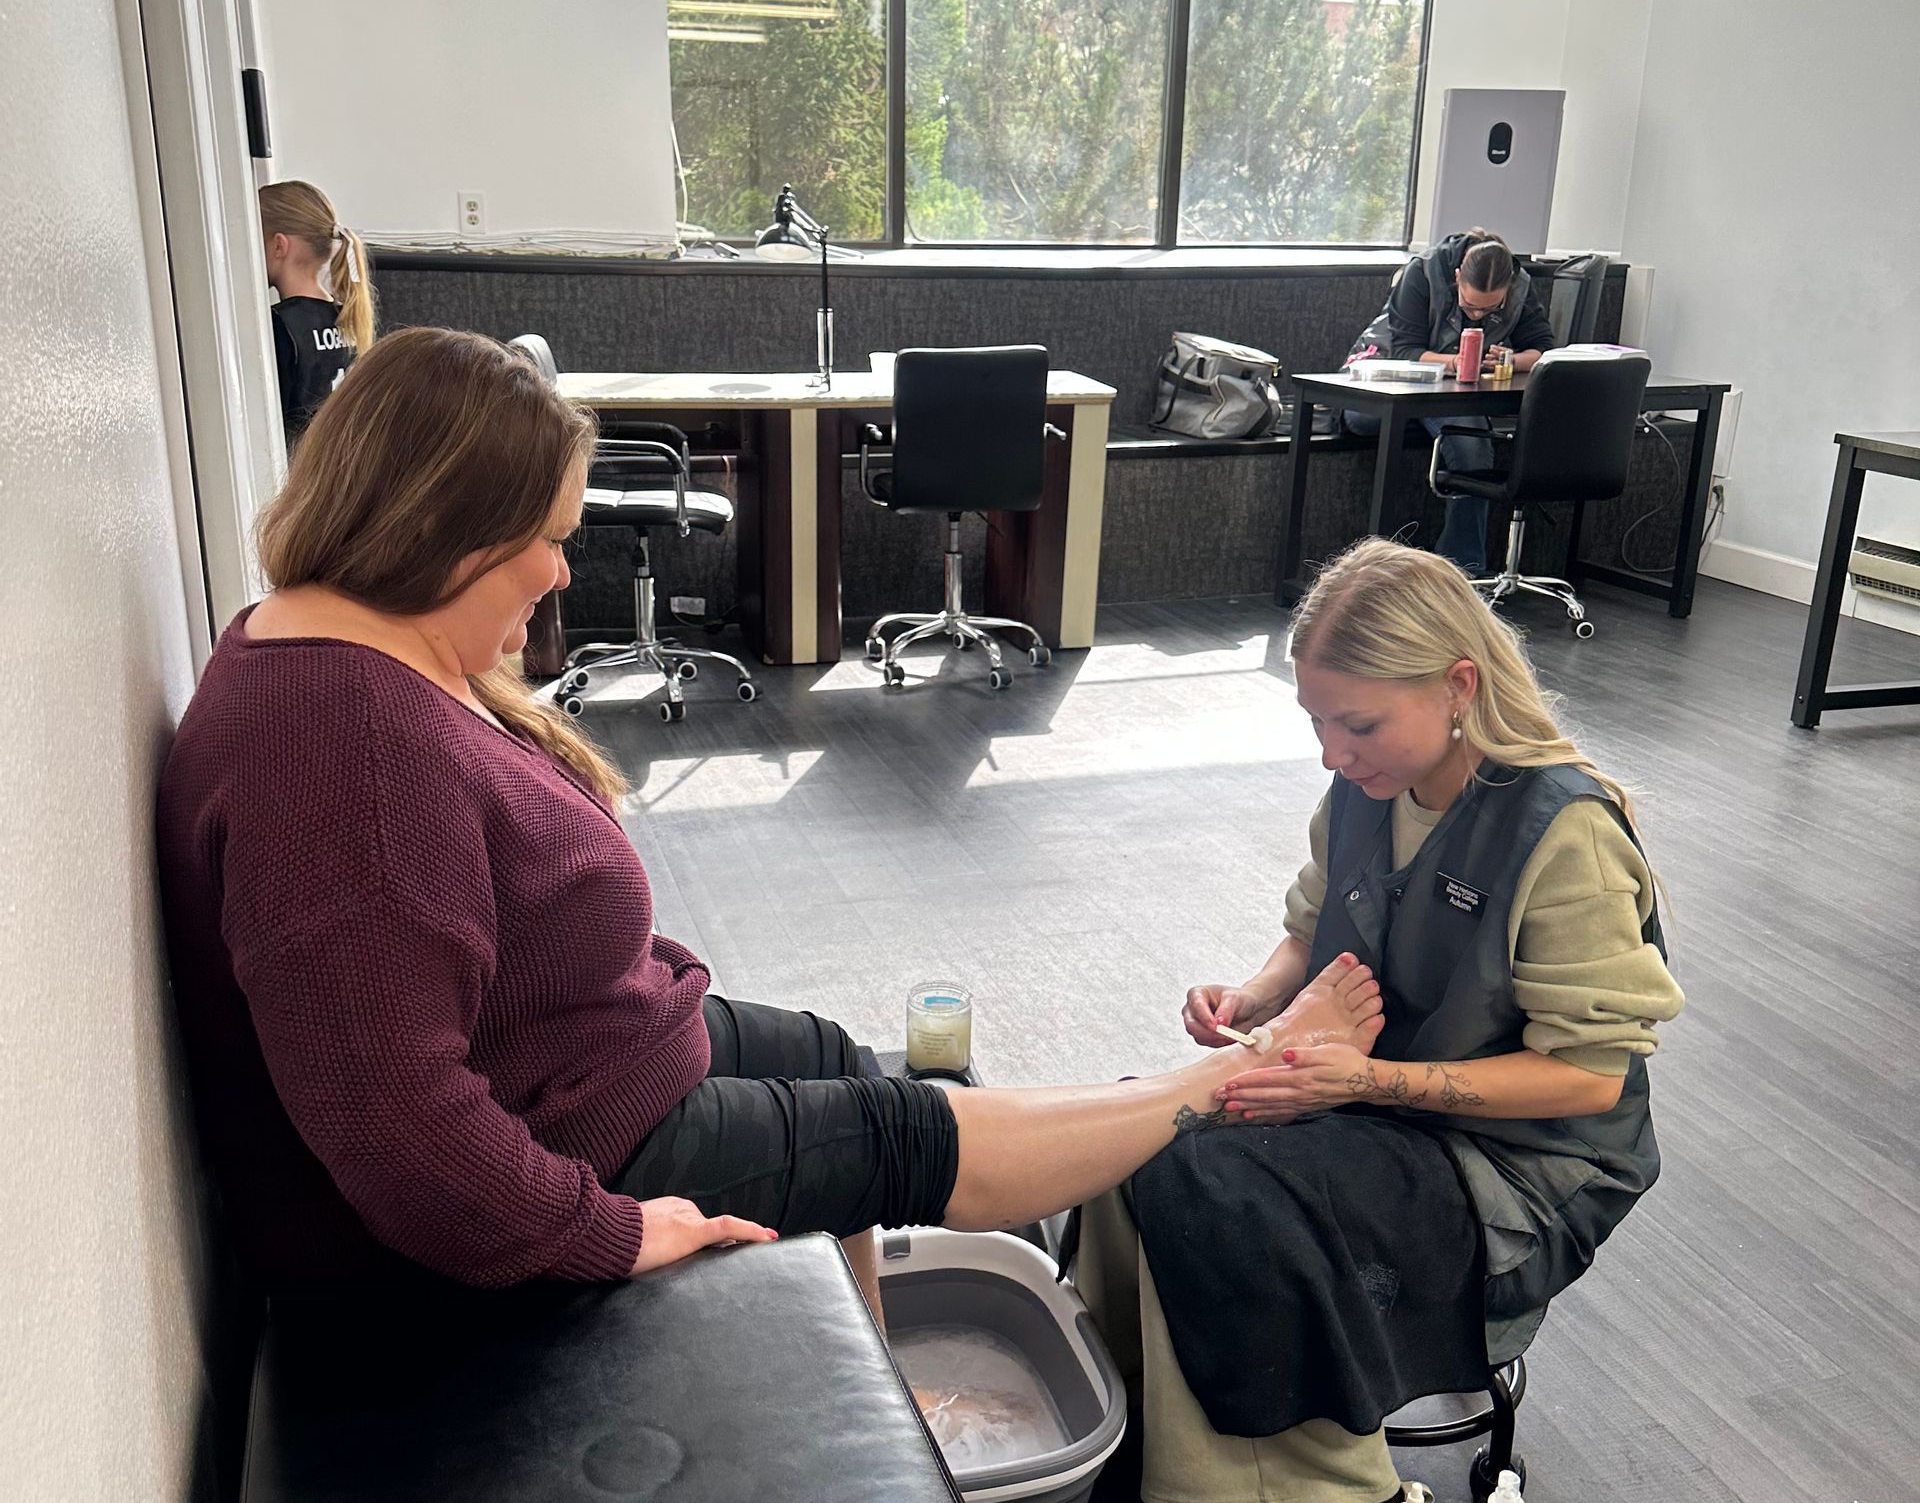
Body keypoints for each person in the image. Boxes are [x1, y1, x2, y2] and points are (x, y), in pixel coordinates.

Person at [157, 327, 1389, 1319]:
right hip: (555, 1152)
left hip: (585, 1059)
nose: (563, 574)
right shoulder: (338, 752)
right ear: (444, 529)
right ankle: (1221, 1084)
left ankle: (881, 1387)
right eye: (548, 541)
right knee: (902, 1132)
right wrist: (613, 1232)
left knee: (842, 1056)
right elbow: (399, 1133)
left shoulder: (341, 652)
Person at [1073, 537, 1684, 1503]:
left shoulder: (1564, 834)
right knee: (1143, 1130)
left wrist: (1362, 1084)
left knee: (1218, 1184)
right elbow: (1315, 927)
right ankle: (1137, 1432)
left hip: (1526, 1167)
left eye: (1356, 724)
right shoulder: (1369, 789)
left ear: (1458, 687)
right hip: (1381, 1097)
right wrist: (1254, 997)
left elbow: (1588, 1082)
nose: (1332, 752)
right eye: (1316, 721)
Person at [1344, 230, 1556, 576]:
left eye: (1490, 309)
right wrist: (1456, 362)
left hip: (1452, 397)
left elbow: (1543, 348)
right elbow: (1405, 351)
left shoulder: (1519, 284)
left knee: (1472, 446)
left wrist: (1508, 359)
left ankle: (1462, 574)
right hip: (1389, 385)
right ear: (1457, 277)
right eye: (1469, 306)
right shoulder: (1423, 273)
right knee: (1365, 419)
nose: (1477, 315)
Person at [259, 178, 375, 448]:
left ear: (278, 246)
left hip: (297, 464)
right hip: (333, 460)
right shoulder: (348, 317)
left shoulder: (279, 324)